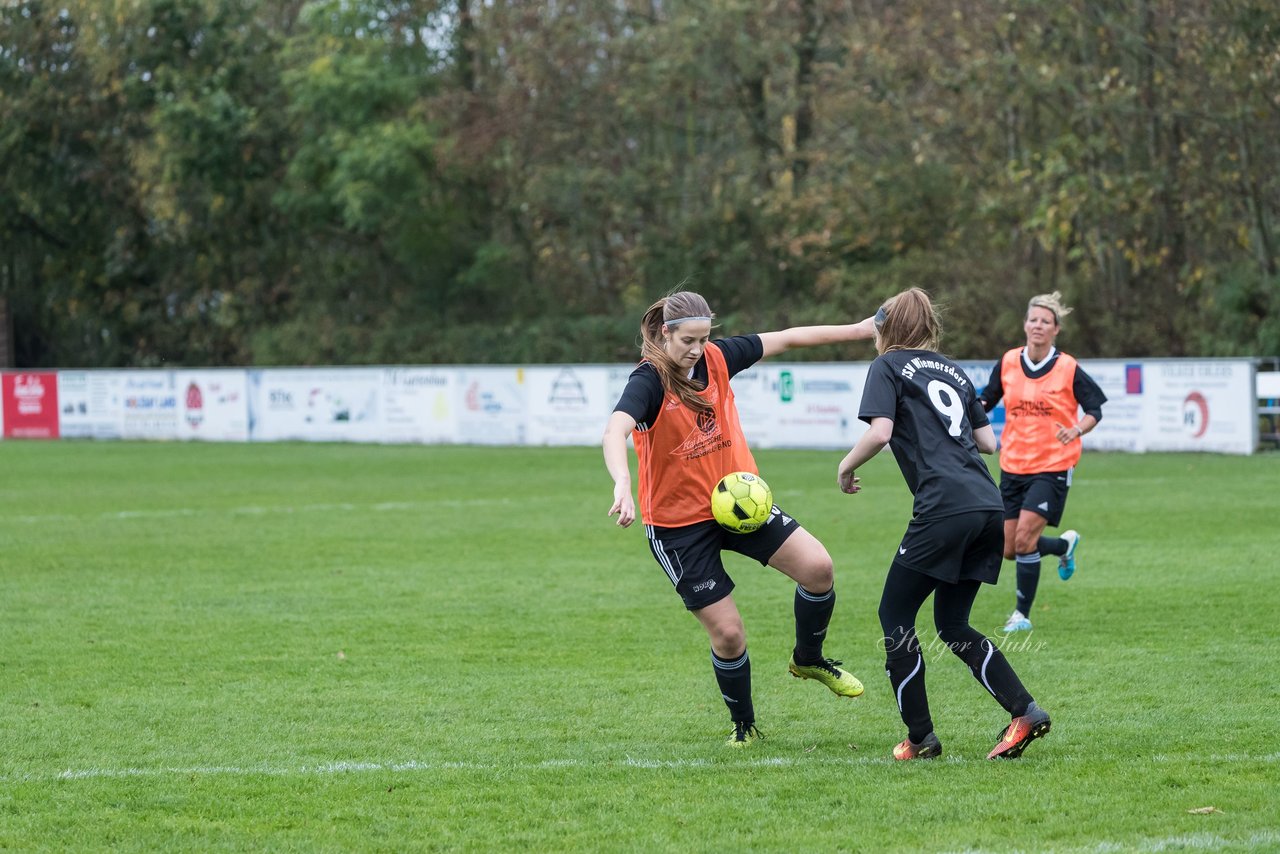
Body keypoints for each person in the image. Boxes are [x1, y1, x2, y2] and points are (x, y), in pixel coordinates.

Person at [603, 290, 875, 747]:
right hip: (678, 525)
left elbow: (787, 339)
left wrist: (860, 330)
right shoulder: (649, 381)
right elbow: (615, 429)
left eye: (704, 338)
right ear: (666, 333)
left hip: (738, 503)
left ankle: (809, 658)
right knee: (728, 635)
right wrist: (622, 484)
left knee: (818, 568)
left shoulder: (717, 358)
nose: (696, 349)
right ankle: (744, 727)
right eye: (687, 340)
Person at [837, 287, 1051, 761]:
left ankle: (920, 738)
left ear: (885, 327)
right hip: (987, 504)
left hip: (943, 508)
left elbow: (880, 432)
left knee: (894, 617)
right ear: (929, 325)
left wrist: (846, 466)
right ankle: (1025, 711)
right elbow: (987, 442)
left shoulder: (887, 366)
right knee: (953, 623)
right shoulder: (953, 371)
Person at [978, 291, 1107, 632]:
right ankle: (1064, 544)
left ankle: (1021, 615)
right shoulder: (1007, 362)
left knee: (1024, 541)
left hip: (1052, 465)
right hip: (1013, 464)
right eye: (1033, 319)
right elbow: (985, 401)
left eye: (1045, 321)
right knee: (1008, 548)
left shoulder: (1067, 366)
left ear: (1056, 329)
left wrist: (1077, 430)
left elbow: (1095, 409)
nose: (1038, 325)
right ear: (1024, 325)